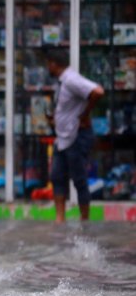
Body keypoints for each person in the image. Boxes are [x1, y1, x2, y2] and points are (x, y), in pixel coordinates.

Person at [45, 50, 105, 223]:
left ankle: (84, 221)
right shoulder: (62, 82)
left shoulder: (72, 79)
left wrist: (86, 114)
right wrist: (55, 120)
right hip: (62, 137)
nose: (47, 67)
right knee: (57, 177)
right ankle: (59, 220)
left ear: (54, 64)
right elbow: (68, 109)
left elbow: (98, 91)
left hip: (76, 136)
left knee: (79, 179)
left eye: (48, 64)